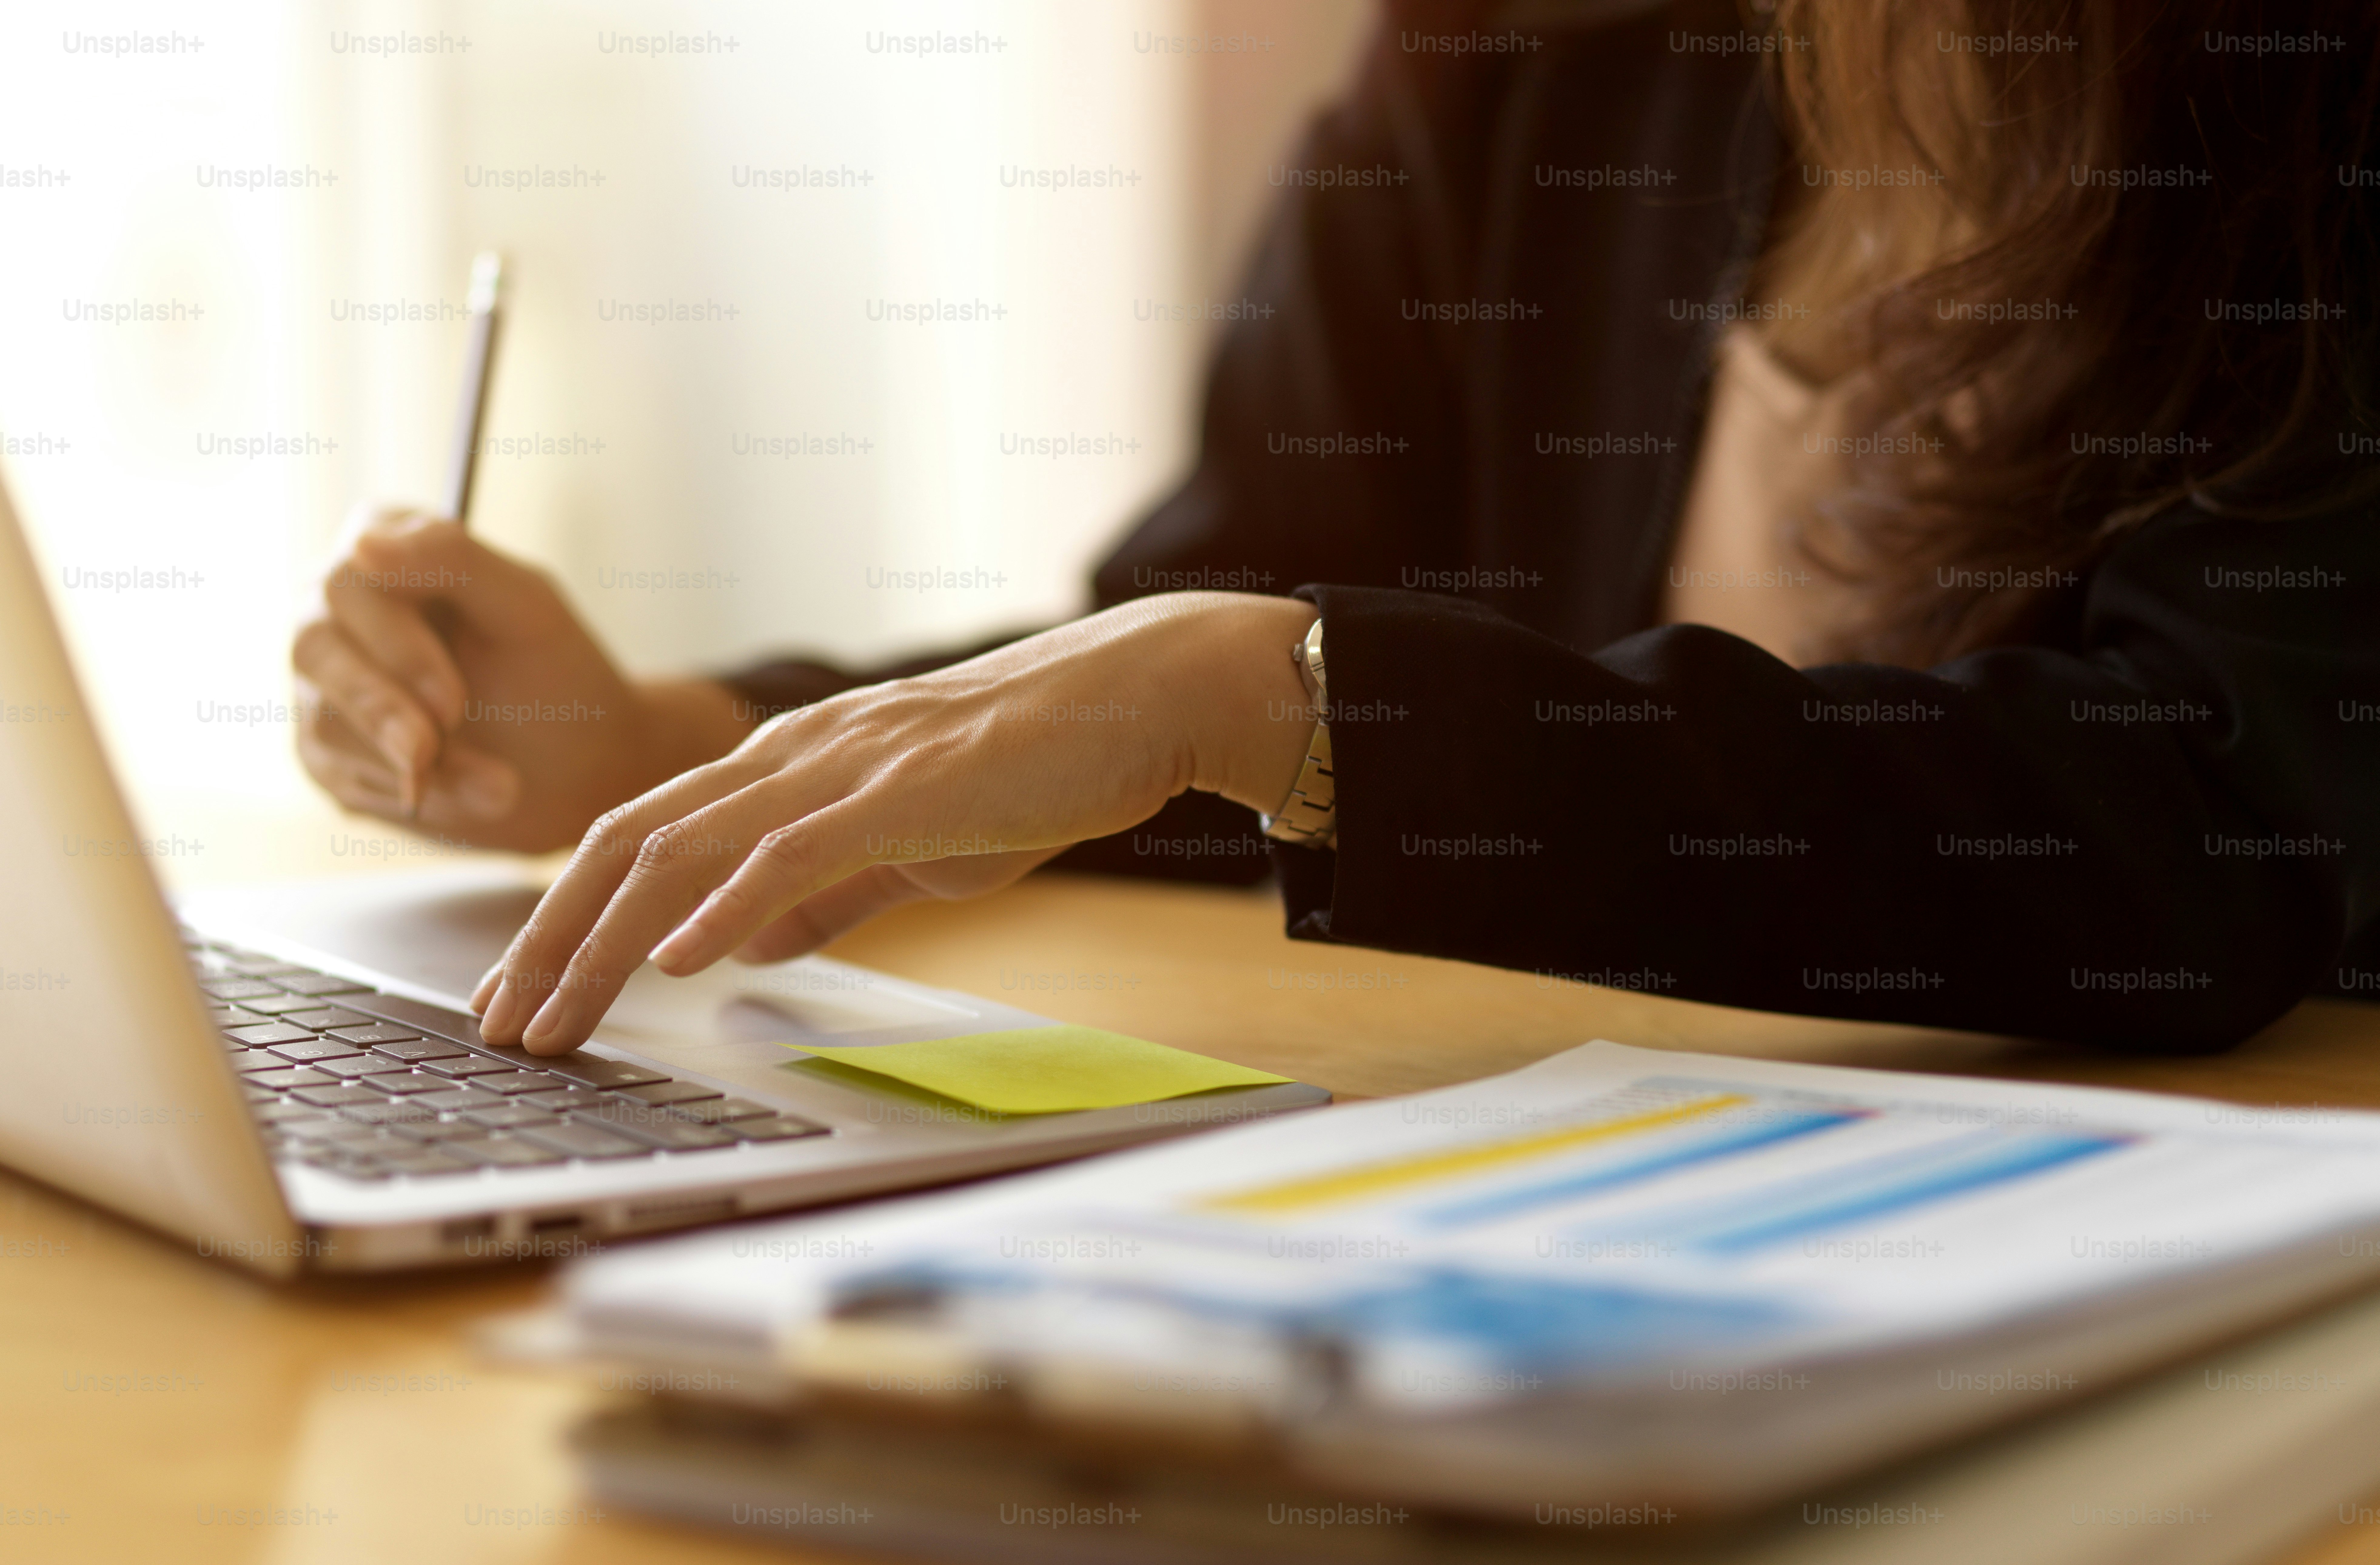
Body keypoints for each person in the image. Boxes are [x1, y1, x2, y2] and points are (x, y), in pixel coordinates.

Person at [292, 0, 2380, 1059]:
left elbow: (2226, 829)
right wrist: (673, 743)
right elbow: (1176, 693)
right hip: (1586, 1198)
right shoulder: (1516, 58)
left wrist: (1290, 693)